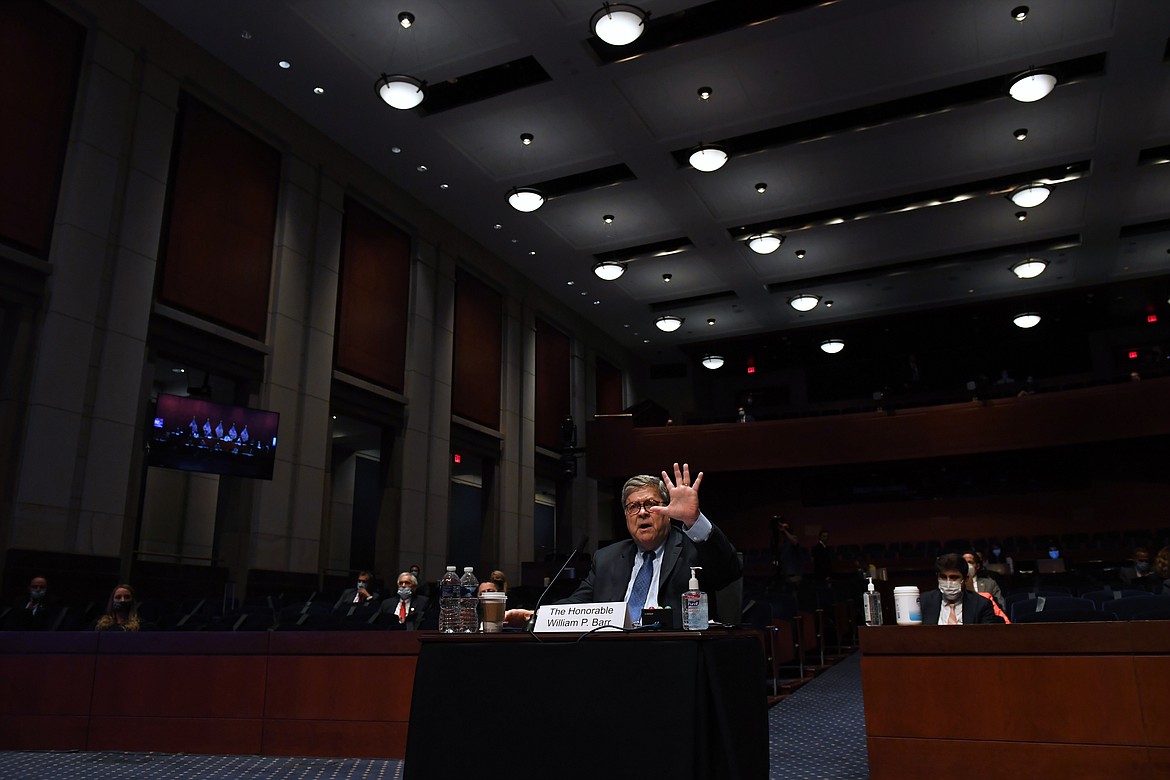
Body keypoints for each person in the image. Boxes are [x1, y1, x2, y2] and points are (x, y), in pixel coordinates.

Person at [507, 463, 742, 626]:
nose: (642, 513)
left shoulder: (693, 548)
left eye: (650, 504)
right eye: (633, 507)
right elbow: (577, 605)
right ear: (626, 515)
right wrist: (537, 616)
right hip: (613, 653)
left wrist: (693, 520)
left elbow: (730, 570)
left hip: (674, 653)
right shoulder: (607, 558)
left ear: (668, 511)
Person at [919, 554, 1004, 625]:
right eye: (943, 577)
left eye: (954, 578)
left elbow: (989, 636)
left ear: (965, 579)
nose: (948, 583)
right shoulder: (923, 601)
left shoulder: (981, 604)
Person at [773, 517, 802, 588]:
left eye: (786, 527)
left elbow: (794, 542)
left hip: (794, 573)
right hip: (785, 572)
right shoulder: (783, 543)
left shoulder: (794, 538)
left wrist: (785, 530)